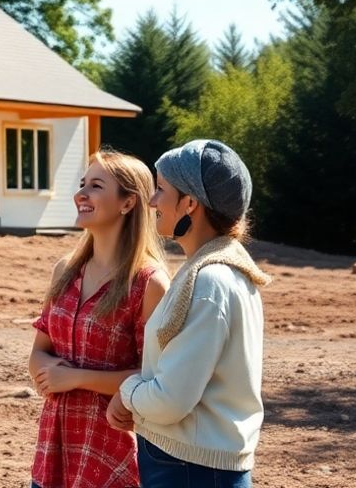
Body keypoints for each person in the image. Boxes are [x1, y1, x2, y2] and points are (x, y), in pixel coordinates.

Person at [107, 139, 270, 488]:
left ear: (190, 203)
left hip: (188, 469)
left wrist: (127, 392)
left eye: (161, 189)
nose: (152, 201)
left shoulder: (210, 281)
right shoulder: (225, 271)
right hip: (195, 464)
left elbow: (171, 400)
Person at [28, 148, 170, 488]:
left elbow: (156, 377)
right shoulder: (65, 271)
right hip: (54, 448)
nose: (81, 194)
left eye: (95, 185)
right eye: (82, 184)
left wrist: (75, 378)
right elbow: (38, 354)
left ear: (128, 202)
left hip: (112, 450)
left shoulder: (149, 283)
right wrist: (54, 375)